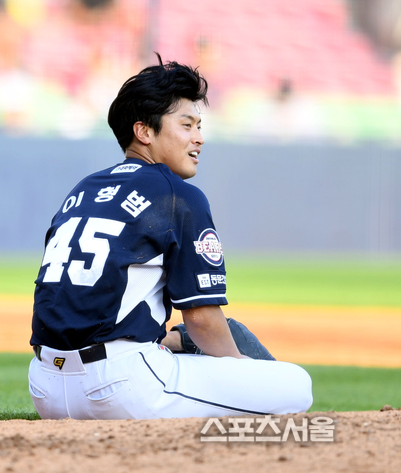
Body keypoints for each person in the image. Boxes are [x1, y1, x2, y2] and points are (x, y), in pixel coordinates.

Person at [28, 56, 313, 420]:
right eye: (186, 125)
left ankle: (173, 343)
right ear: (144, 132)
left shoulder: (84, 189)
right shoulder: (176, 193)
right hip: (120, 386)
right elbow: (203, 321)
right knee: (295, 385)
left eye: (199, 126)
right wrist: (241, 367)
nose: (199, 138)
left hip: (44, 387)